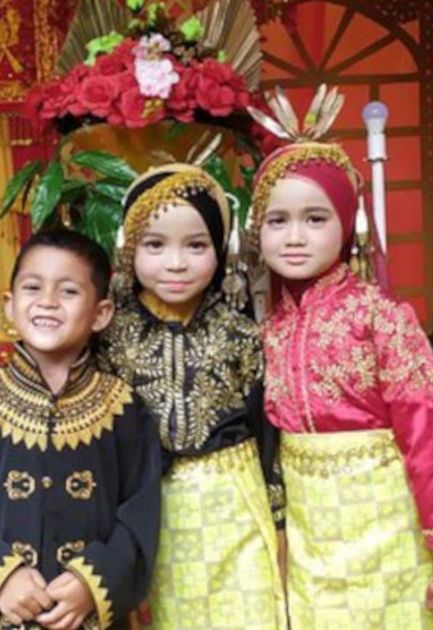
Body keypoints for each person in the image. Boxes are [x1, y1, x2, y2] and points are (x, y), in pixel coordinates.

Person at [249, 86, 433, 630]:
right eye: (277, 220)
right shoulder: (268, 330)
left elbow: (431, 437)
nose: (294, 237)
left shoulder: (381, 316)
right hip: (311, 547)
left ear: (346, 225)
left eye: (316, 218)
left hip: (389, 534)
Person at [0, 229, 161, 630]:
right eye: (32, 287)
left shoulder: (123, 408)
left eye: (68, 291)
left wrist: (93, 583)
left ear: (101, 314)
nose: (47, 301)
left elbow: (140, 517)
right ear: (9, 305)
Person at [97, 163, 286, 629]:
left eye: (196, 246)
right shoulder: (109, 335)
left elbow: (268, 434)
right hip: (149, 513)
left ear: (220, 250)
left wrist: (280, 521)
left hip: (235, 506)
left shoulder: (240, 333)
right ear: (128, 249)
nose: (176, 263)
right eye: (155, 245)